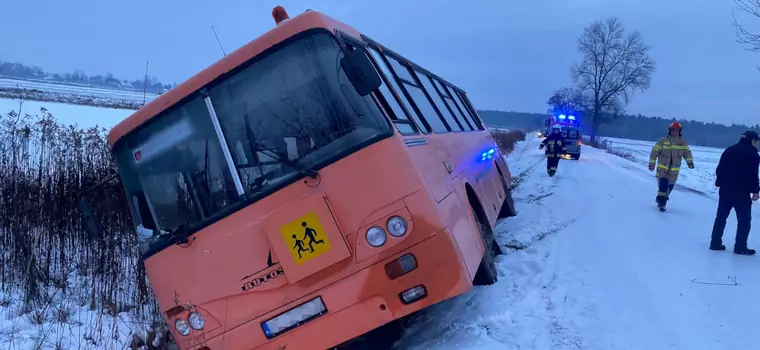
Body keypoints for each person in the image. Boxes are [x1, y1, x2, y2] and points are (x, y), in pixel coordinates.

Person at [709, 130, 760, 255]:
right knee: (744, 220)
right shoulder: (753, 154)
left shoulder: (729, 150)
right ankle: (740, 246)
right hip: (741, 192)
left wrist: (719, 182)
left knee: (721, 217)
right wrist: (755, 190)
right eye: (756, 141)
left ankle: (715, 243)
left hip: (725, 190)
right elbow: (752, 175)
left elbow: (719, 168)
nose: (757, 144)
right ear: (752, 140)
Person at [648, 121, 694, 211]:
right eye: (673, 130)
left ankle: (661, 200)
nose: (674, 132)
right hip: (662, 171)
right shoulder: (663, 141)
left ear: (679, 131)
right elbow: (654, 152)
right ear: (669, 131)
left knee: (668, 189)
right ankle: (662, 204)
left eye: (676, 130)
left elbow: (687, 153)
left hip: (674, 172)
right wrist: (651, 164)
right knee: (663, 188)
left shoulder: (683, 143)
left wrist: (690, 163)